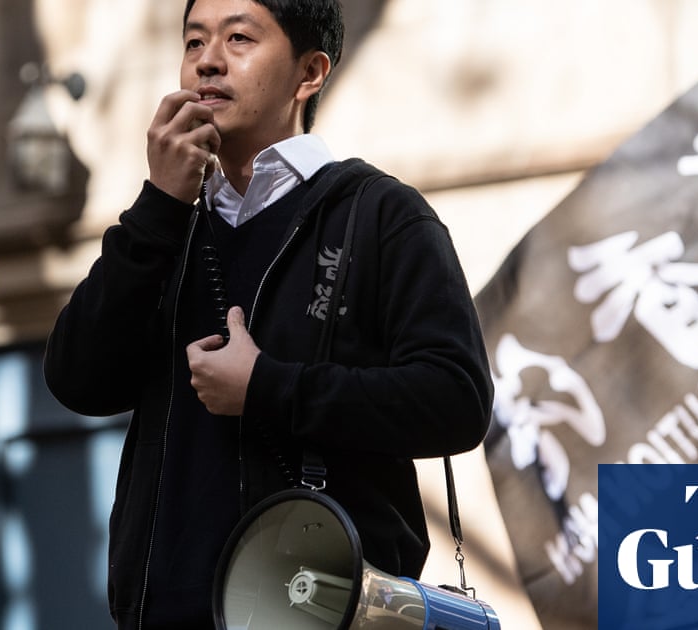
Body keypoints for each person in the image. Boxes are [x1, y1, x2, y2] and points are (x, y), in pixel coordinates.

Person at [43, 0, 494, 627]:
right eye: (194, 41)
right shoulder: (166, 230)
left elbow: (456, 399)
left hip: (320, 608)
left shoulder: (381, 215)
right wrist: (157, 207)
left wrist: (267, 387)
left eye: (239, 38)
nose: (208, 61)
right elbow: (76, 379)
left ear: (309, 72)